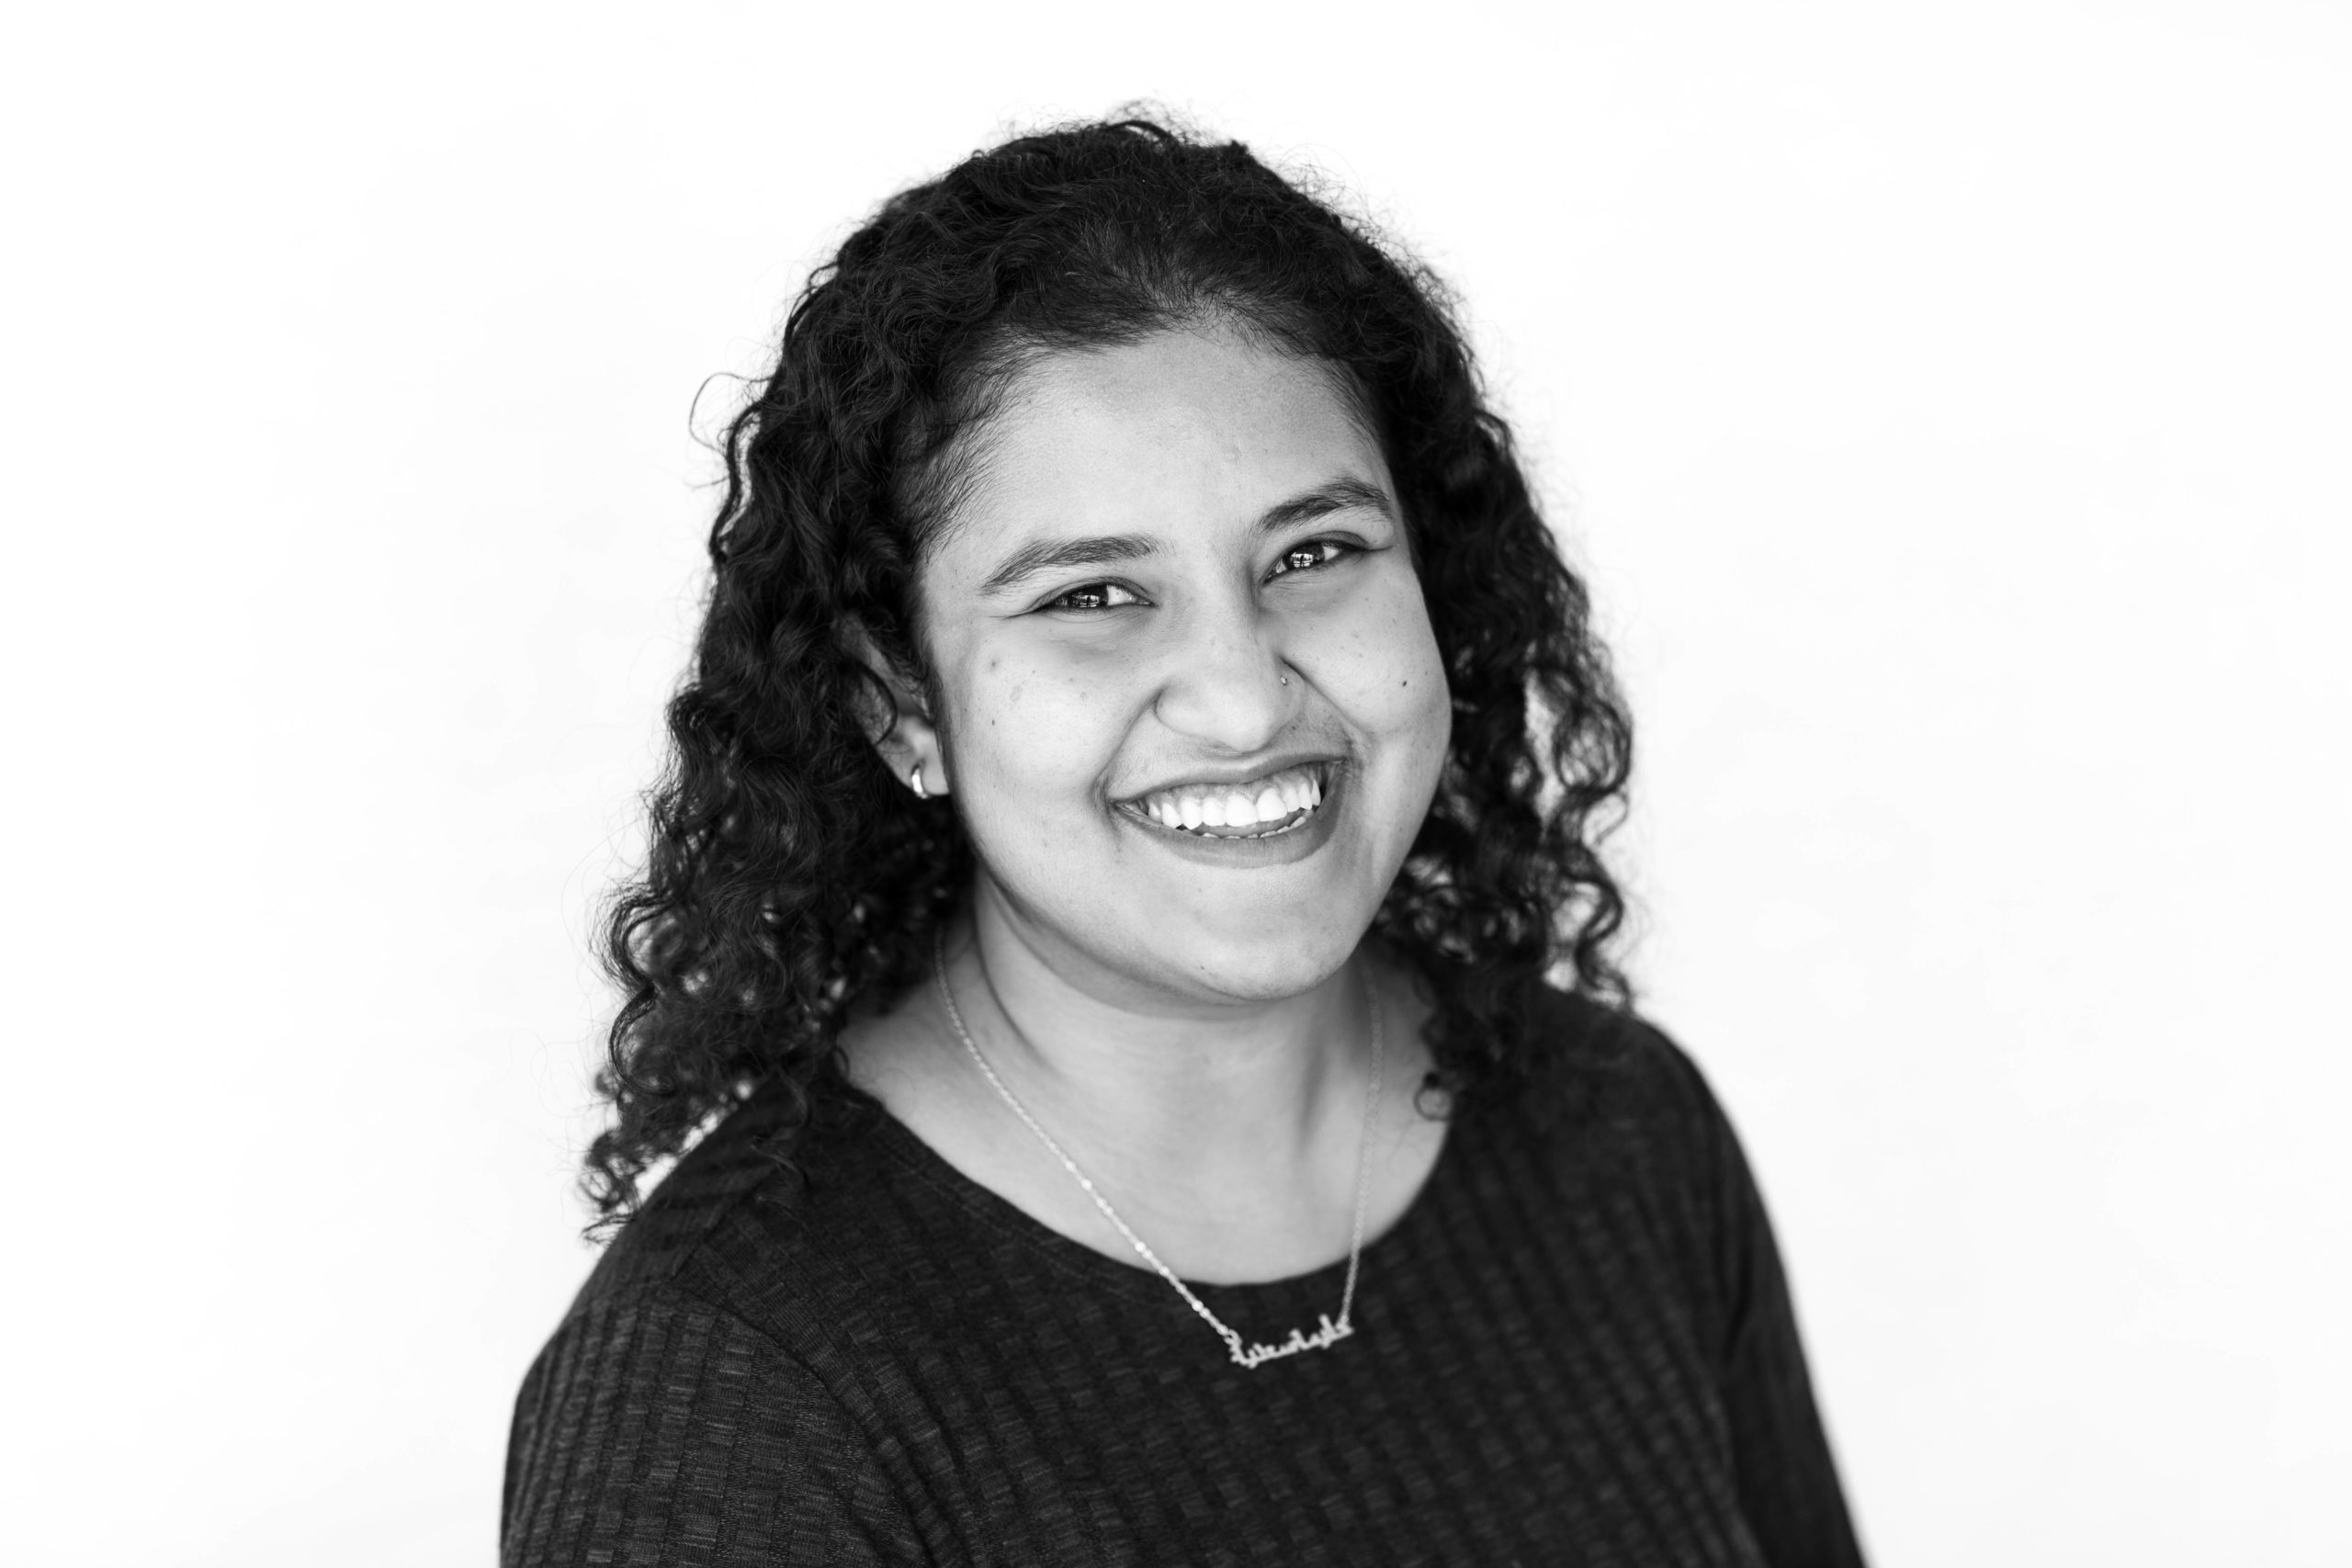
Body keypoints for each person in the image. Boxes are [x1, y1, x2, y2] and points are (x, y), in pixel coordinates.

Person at [502, 116, 1865, 1567]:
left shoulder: (1621, 1135)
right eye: (1091, 597)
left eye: (1315, 554)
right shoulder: (733, 1389)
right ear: (899, 702)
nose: (1244, 700)